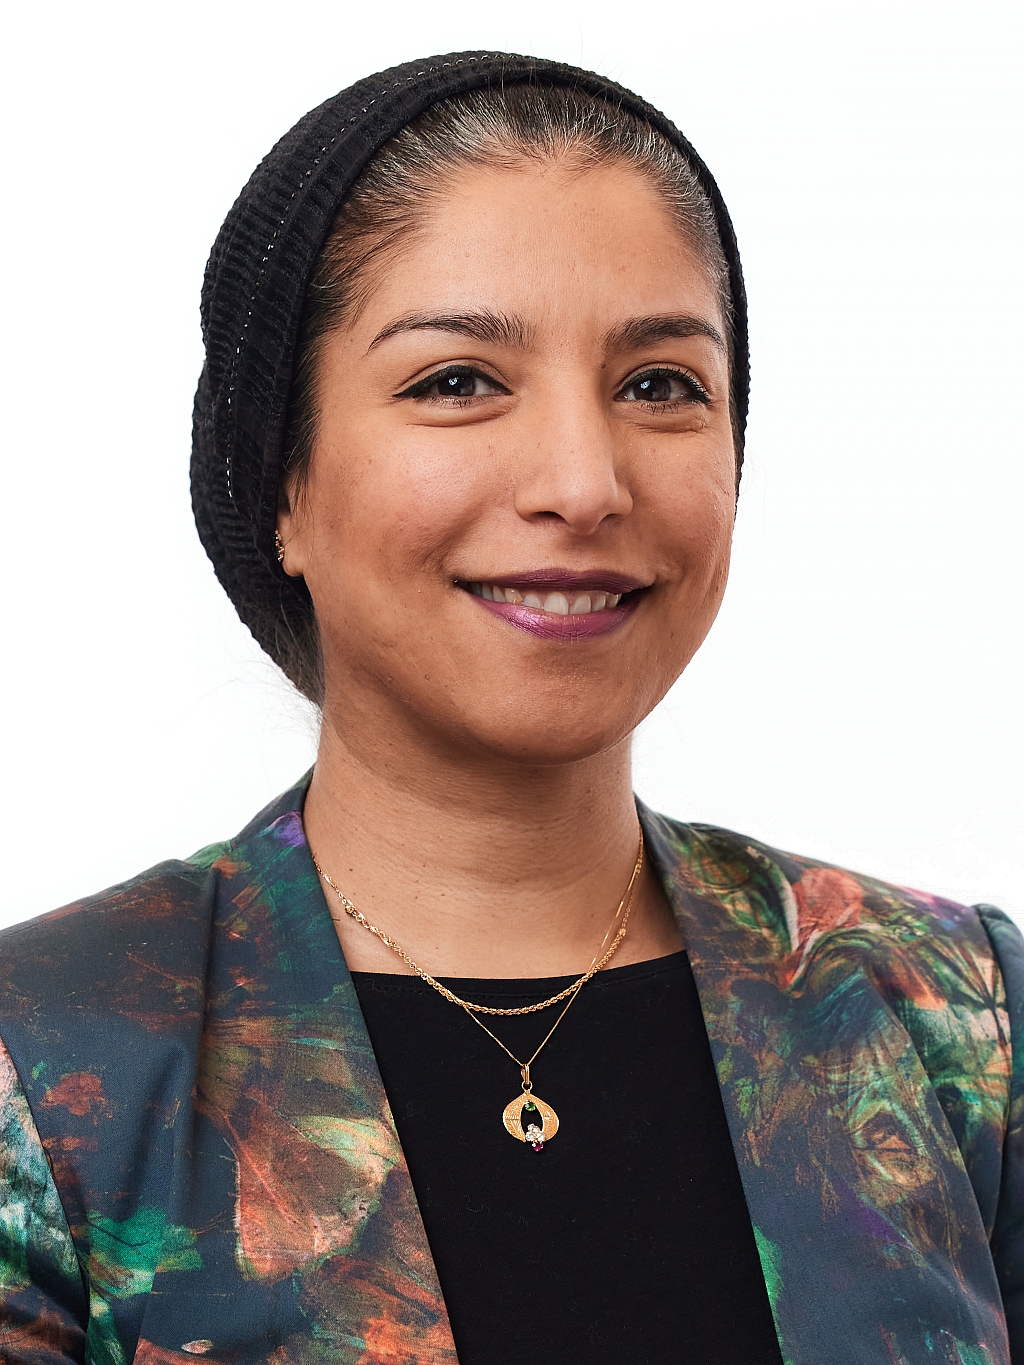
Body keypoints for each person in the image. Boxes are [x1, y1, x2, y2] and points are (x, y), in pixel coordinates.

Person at [0, 50, 1020, 1365]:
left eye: (660, 383)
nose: (584, 481)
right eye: (459, 380)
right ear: (284, 485)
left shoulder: (952, 1017)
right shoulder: (48, 1063)